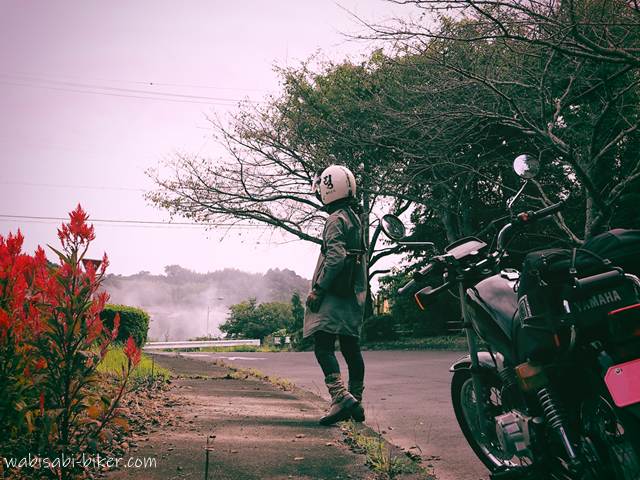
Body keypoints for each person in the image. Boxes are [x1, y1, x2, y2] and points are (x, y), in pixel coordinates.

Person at [304, 165, 368, 426]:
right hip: (354, 293)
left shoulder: (335, 219)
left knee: (323, 345)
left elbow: (336, 257)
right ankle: (356, 402)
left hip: (334, 295)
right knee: (351, 347)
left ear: (328, 189)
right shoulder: (355, 218)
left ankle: (340, 397)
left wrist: (318, 290)